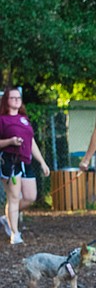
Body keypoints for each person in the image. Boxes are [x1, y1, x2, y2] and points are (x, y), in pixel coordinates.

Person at [0, 87, 50, 245]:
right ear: (6, 100)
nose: (16, 100)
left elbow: (31, 141)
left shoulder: (24, 119)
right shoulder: (2, 119)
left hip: (26, 161)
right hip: (9, 161)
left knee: (30, 197)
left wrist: (42, 162)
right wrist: (11, 141)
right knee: (13, 197)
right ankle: (15, 233)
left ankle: (7, 217)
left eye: (18, 98)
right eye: (12, 98)